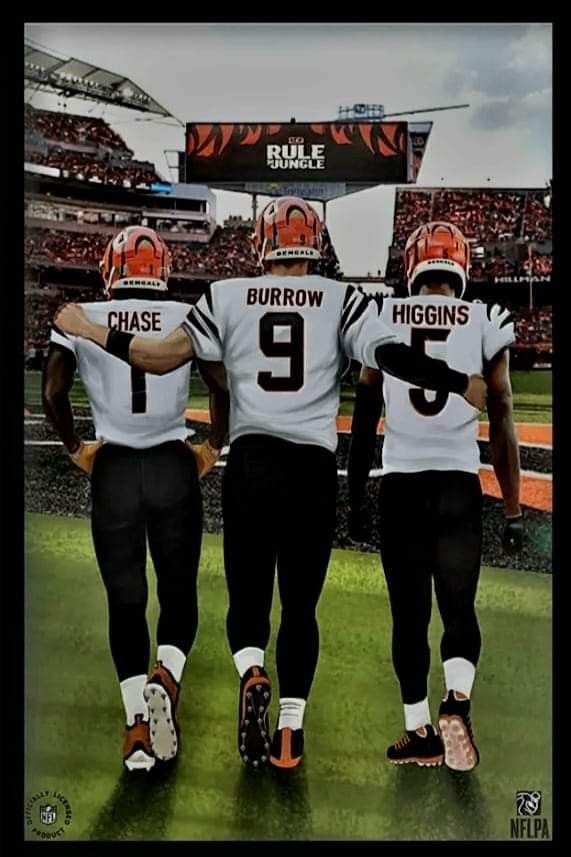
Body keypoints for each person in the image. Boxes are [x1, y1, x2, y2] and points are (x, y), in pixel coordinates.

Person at [54, 198, 487, 771]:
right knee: (301, 607)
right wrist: (459, 381)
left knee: (249, 599)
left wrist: (90, 328)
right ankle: (288, 733)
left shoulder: (227, 294)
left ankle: (251, 670)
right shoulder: (343, 299)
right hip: (312, 466)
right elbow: (395, 358)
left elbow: (159, 359)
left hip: (252, 462)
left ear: (261, 243)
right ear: (315, 243)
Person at [43, 226, 227, 772]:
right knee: (177, 592)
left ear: (110, 268)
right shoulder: (186, 315)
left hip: (116, 467)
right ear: (162, 269)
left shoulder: (81, 316)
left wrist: (77, 447)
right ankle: (166, 675)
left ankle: (136, 729)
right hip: (172, 462)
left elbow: (53, 392)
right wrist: (213, 444)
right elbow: (221, 386)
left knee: (125, 601)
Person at [348, 221, 522, 771]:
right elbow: (503, 417)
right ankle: (458, 698)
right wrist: (514, 510)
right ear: (460, 268)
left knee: (408, 617)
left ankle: (418, 728)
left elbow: (365, 412)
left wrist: (355, 495)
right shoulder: (487, 319)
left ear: (413, 266)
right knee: (458, 608)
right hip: (456, 484)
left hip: (400, 483)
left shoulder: (383, 315)